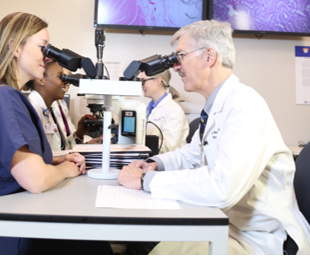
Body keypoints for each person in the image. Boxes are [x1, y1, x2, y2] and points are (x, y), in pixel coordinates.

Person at [118, 20, 310, 255]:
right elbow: (191, 155)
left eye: (180, 56)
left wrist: (144, 181)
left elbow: (222, 185)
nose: (176, 67)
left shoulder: (245, 105)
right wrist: (153, 164)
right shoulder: (216, 106)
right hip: (226, 225)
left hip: (260, 239)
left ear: (209, 57)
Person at [0, 12, 112, 255]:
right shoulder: (2, 97)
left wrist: (53, 160)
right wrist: (68, 169)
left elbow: (0, 160)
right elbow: (35, 180)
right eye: (43, 47)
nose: (48, 56)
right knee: (95, 244)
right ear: (15, 48)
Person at [26, 63, 102, 151]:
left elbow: (61, 147)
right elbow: (33, 156)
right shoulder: (32, 109)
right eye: (60, 76)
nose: (66, 81)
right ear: (41, 80)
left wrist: (79, 135)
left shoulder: (48, 108)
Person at [141, 69, 189, 154]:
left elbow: (169, 146)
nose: (142, 85)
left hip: (169, 164)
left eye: (144, 81)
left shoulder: (174, 110)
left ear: (158, 81)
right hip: (152, 158)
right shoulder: (148, 109)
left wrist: (140, 141)